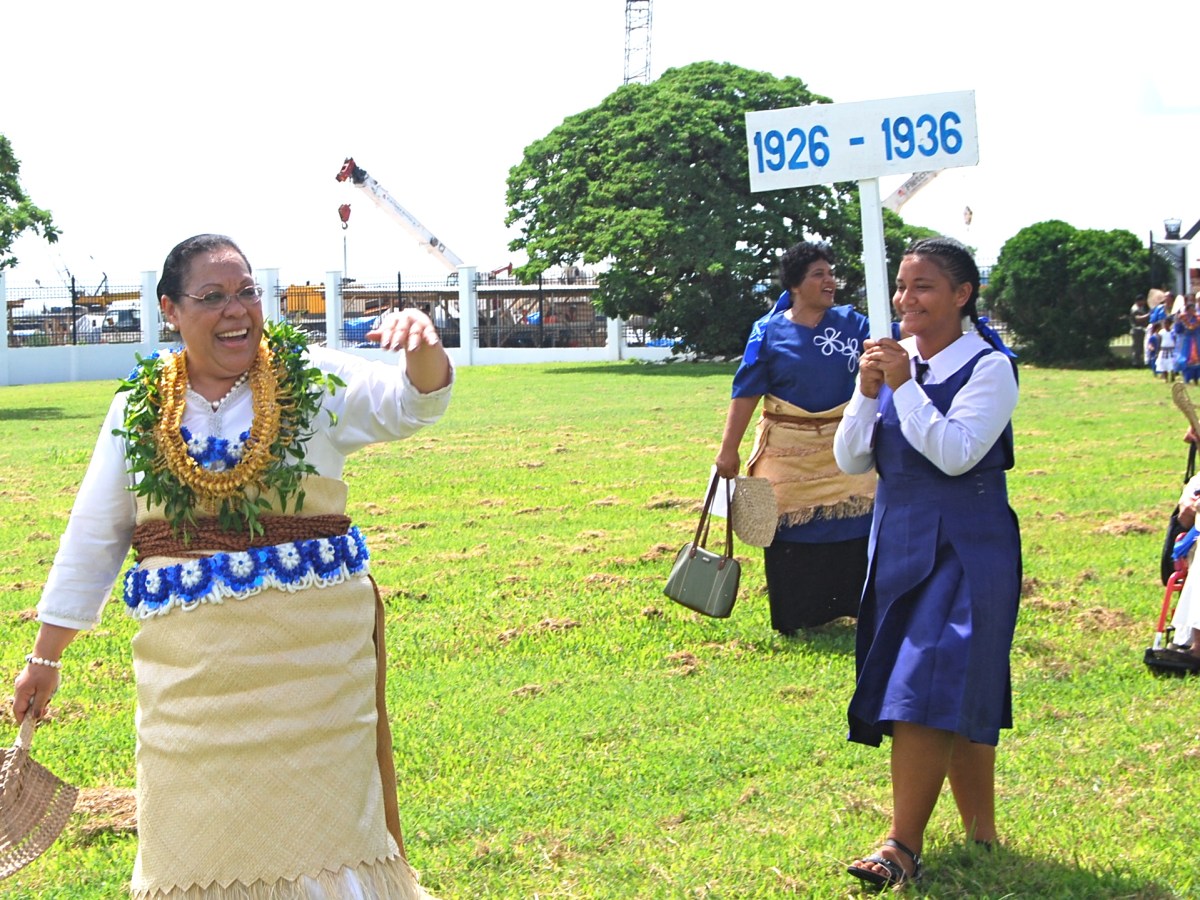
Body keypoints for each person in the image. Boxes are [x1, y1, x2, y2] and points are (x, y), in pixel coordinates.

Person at [11, 234, 452, 899]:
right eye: (212, 296)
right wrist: (46, 658)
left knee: (326, 836)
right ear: (170, 310)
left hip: (314, 677)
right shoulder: (137, 409)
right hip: (189, 684)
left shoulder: (312, 381)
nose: (236, 310)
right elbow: (95, 534)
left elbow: (411, 403)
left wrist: (423, 347)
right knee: (194, 843)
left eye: (246, 291)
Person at [833, 236, 1021, 888]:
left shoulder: (991, 369)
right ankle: (984, 835)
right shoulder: (894, 364)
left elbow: (956, 453)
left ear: (962, 295)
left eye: (924, 287)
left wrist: (906, 388)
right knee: (957, 684)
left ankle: (900, 846)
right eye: (902, 285)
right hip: (900, 542)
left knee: (926, 685)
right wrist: (864, 393)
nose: (905, 300)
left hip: (968, 547)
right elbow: (853, 459)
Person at [714, 241, 875, 635]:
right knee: (790, 528)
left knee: (856, 521)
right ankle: (799, 615)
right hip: (788, 447)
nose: (830, 281)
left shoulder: (855, 324)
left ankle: (855, 608)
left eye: (830, 273)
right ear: (796, 284)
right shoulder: (768, 331)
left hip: (845, 444)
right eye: (818, 274)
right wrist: (728, 449)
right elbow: (747, 389)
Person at [1130, 294, 1151, 368]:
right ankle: (1136, 363)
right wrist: (1148, 315)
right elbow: (1138, 318)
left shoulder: (1140, 308)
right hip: (1137, 330)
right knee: (1137, 348)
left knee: (1141, 347)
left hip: (1141, 330)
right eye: (1142, 300)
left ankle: (1139, 362)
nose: (1144, 302)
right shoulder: (1135, 309)